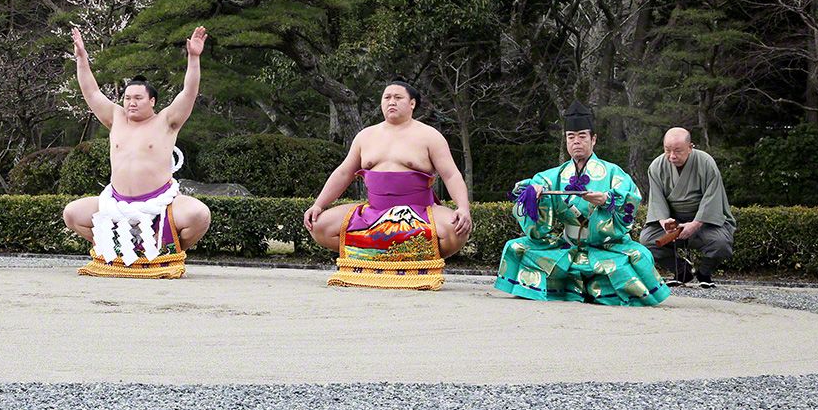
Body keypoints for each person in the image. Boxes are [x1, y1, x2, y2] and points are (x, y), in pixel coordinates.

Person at [62, 26, 212, 277]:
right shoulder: (115, 118)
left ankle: (165, 250)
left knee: (200, 215)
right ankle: (119, 250)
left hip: (160, 205)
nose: (131, 102)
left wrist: (193, 58)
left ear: (152, 101)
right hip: (117, 204)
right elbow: (91, 91)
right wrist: (81, 58)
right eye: (127, 97)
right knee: (72, 214)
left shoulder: (167, 121)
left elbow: (189, 93)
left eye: (137, 98)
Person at [494, 101, 669, 306]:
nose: (576, 141)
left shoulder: (613, 173)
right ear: (566, 141)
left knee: (640, 255)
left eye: (582, 136)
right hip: (567, 247)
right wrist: (534, 195)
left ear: (593, 139)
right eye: (571, 137)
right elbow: (527, 196)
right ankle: (582, 287)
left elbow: (630, 201)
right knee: (515, 247)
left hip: (606, 247)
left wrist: (606, 200)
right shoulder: (552, 177)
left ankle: (580, 287)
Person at [304, 80, 473, 289]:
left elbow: (451, 175)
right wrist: (318, 205)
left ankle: (404, 257)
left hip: (420, 212)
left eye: (398, 97)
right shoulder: (365, 136)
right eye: (387, 97)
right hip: (373, 212)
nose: (391, 102)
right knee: (318, 225)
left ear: (412, 103)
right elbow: (343, 173)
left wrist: (463, 208)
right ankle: (377, 257)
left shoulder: (429, 136)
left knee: (457, 230)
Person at [639, 128, 736, 288]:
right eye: (667, 150)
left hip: (704, 224)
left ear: (690, 147)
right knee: (647, 240)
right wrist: (665, 222)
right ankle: (682, 270)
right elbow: (657, 200)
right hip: (674, 224)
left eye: (678, 151)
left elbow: (712, 198)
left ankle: (704, 272)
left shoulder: (706, 163)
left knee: (721, 243)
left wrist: (695, 224)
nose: (672, 156)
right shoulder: (656, 166)